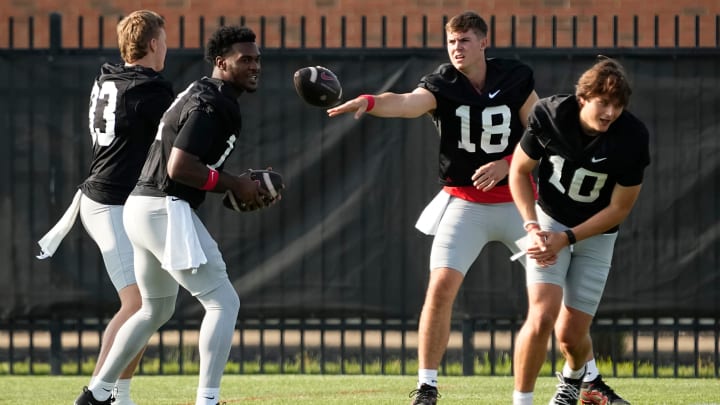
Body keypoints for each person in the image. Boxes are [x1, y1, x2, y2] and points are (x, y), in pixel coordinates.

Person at [73, 25, 277, 405]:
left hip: (141, 206)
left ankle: (96, 394)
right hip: (162, 207)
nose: (254, 66)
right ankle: (208, 400)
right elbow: (180, 167)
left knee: (154, 309)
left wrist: (233, 181)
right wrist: (235, 184)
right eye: (245, 59)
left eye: (257, 59)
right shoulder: (212, 102)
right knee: (223, 302)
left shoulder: (203, 91)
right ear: (221, 62)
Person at [36, 10, 173, 405]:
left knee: (149, 305)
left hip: (116, 200)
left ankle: (120, 394)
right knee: (139, 304)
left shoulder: (109, 75)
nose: (166, 46)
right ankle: (97, 393)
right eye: (162, 39)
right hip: (110, 204)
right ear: (152, 44)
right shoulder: (149, 88)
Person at [508, 56, 649, 405]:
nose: (611, 112)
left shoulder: (631, 136)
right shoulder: (550, 115)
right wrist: (532, 224)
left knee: (571, 336)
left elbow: (620, 208)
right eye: (604, 102)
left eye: (618, 105)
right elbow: (518, 171)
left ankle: (573, 381)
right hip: (550, 219)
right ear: (583, 97)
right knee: (541, 316)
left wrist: (568, 238)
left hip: (597, 234)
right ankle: (521, 401)